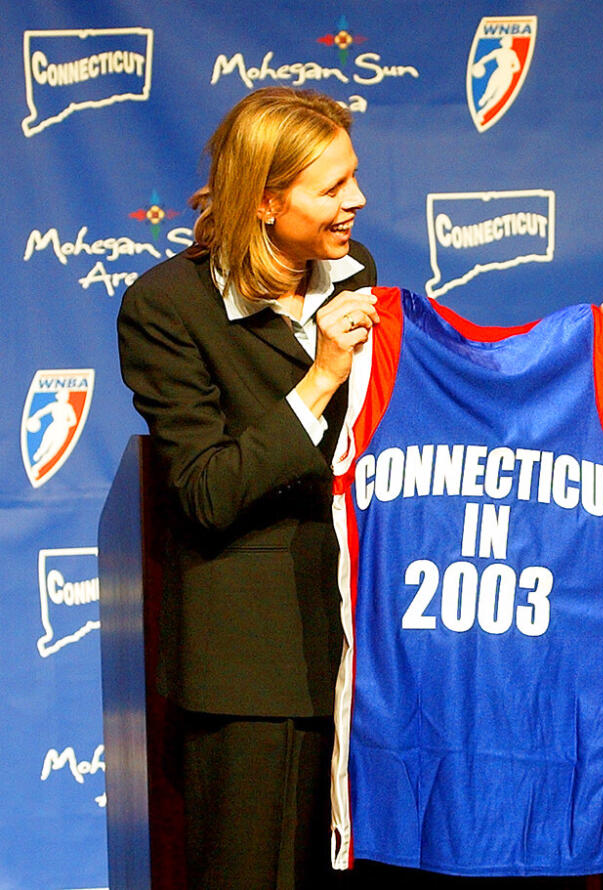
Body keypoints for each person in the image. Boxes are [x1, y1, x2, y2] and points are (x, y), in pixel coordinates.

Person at [117, 86, 379, 889]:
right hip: (250, 669)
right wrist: (320, 379)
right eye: (332, 187)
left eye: (353, 178)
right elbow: (205, 489)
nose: (357, 201)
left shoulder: (354, 272)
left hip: (357, 652)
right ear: (268, 201)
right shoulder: (167, 308)